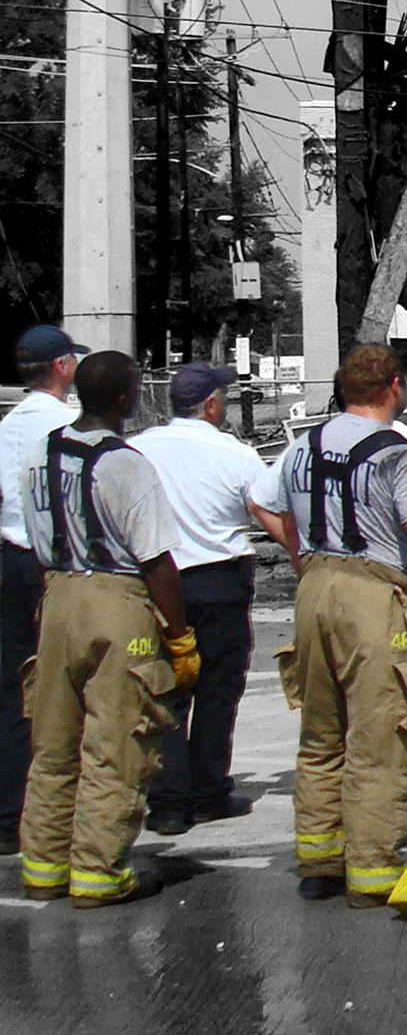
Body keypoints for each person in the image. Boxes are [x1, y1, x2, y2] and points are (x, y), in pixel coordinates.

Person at [260, 343, 407, 906]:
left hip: (313, 590)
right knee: (382, 736)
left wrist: (307, 557)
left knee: (321, 735)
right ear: (394, 387)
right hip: (376, 599)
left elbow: (262, 506)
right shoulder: (399, 453)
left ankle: (319, 857)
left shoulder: (302, 447)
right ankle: (372, 869)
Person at [17, 351, 191, 907]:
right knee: (117, 741)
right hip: (116, 602)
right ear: (123, 397)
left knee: (53, 743)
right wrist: (180, 635)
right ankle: (97, 870)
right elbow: (156, 560)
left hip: (58, 598)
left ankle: (44, 865)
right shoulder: (125, 464)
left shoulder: (39, 454)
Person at [132, 362, 291, 835]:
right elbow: (267, 511)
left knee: (166, 690)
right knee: (218, 689)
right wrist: (305, 558)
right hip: (219, 579)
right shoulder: (235, 454)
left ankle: (166, 801)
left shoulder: (138, 448)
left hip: (157, 579)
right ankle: (208, 791)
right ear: (211, 405)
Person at [0, 324, 83, 857]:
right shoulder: (70, 425)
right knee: (60, 693)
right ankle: (54, 813)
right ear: (61, 367)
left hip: (8, 556)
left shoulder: (7, 426)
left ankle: (9, 814)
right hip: (53, 565)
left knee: (10, 687)